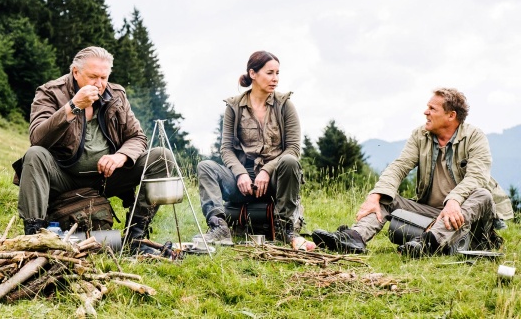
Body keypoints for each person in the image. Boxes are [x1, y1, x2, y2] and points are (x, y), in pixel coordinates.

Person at [312, 88, 513, 257]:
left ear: (451, 115)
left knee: (483, 194)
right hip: (434, 214)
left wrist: (454, 201)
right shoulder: (421, 135)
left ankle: (427, 244)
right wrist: (375, 195)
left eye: (432, 108)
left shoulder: (475, 136)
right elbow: (399, 166)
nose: (425, 112)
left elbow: (477, 177)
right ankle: (354, 238)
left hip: (470, 218)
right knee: (387, 197)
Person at [13, 46, 173, 256]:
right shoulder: (50, 92)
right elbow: (37, 138)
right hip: (64, 176)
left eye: (104, 77)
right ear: (75, 72)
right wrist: (72, 106)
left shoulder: (116, 95)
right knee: (34, 155)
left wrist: (120, 156)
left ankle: (136, 237)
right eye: (93, 77)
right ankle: (35, 237)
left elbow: (137, 137)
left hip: (107, 177)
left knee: (162, 156)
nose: (99, 83)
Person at [196, 50, 303, 246]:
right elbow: (226, 149)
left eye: (277, 73)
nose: (275, 79)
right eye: (269, 73)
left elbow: (293, 148)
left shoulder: (285, 105)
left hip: (274, 181)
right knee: (205, 167)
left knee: (290, 161)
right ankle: (218, 226)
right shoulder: (234, 106)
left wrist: (267, 170)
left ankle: (285, 229)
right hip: (241, 182)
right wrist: (239, 174)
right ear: (253, 73)